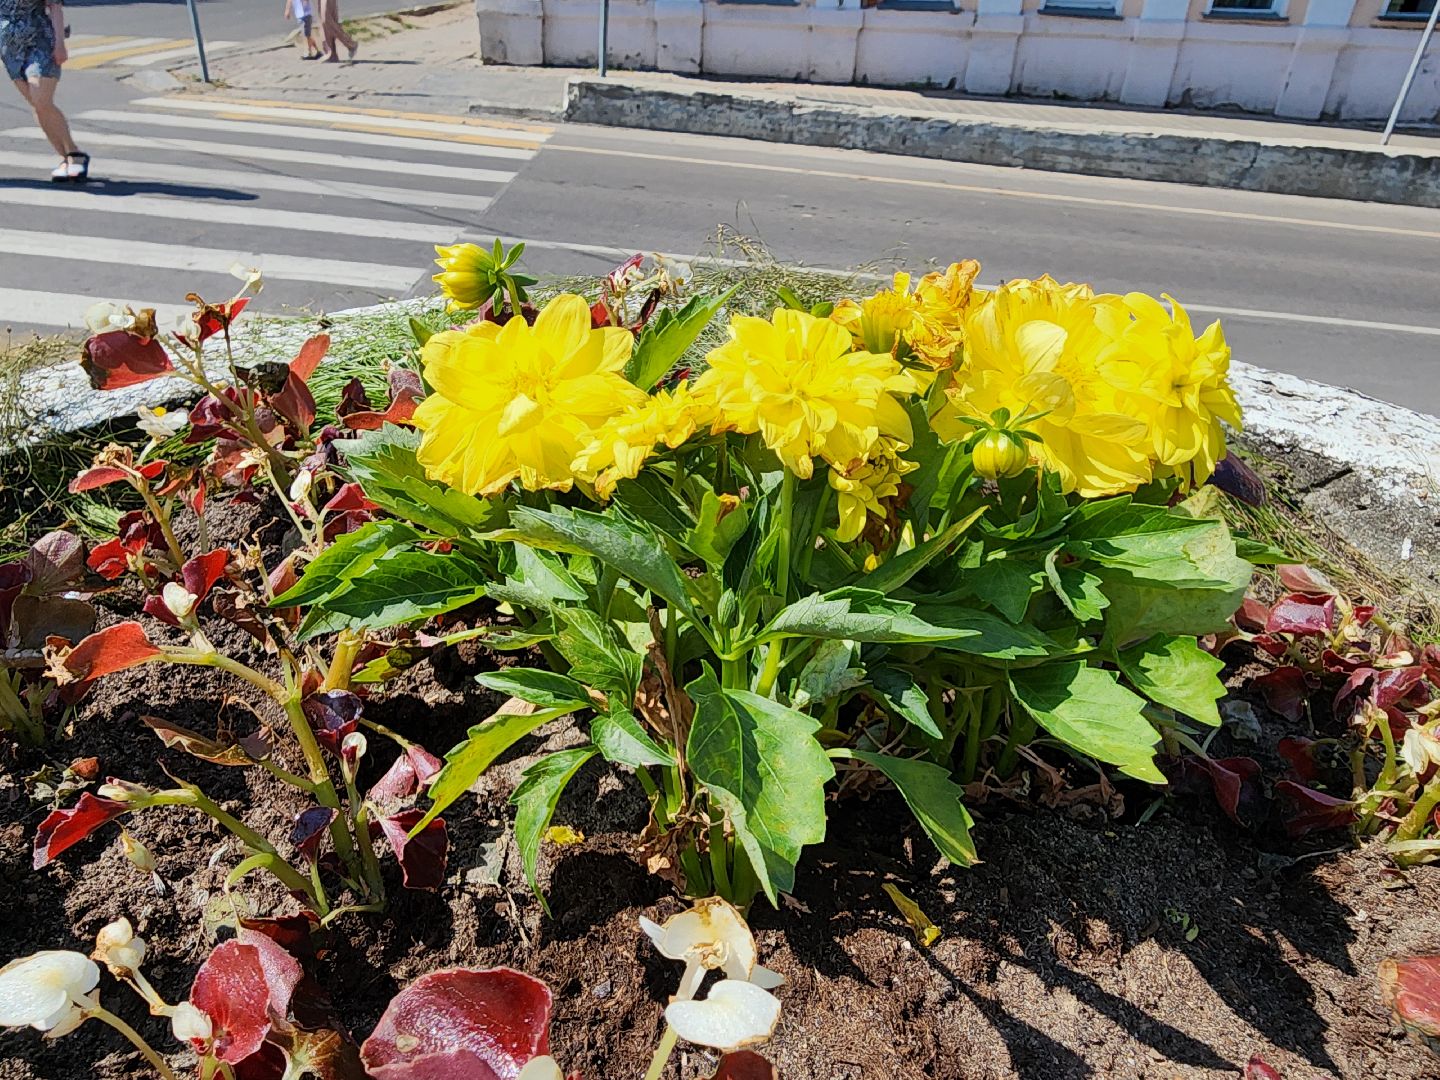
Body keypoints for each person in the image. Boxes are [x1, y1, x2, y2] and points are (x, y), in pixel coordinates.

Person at [1, 0, 87, 181]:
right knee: (39, 105)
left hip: (40, 41)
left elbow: (55, 7)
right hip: (10, 49)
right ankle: (69, 155)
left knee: (40, 97)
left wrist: (59, 44)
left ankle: (72, 153)